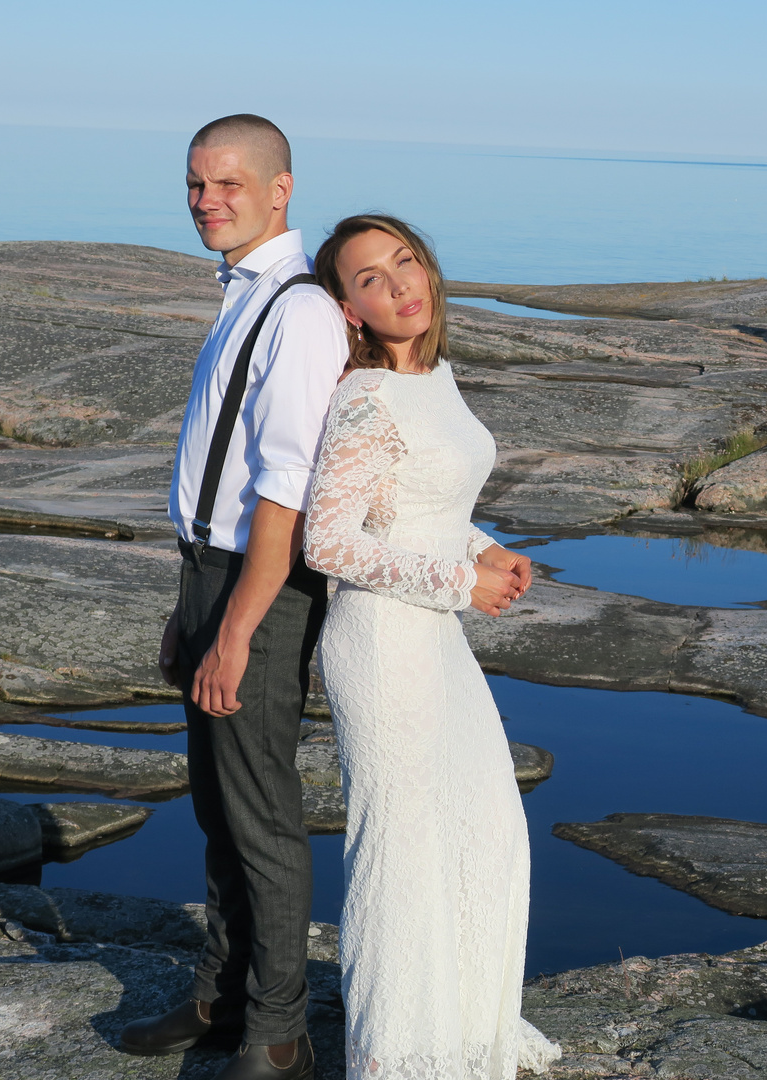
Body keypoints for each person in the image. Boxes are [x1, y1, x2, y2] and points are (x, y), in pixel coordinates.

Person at [302, 213, 561, 1079]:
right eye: (371, 278)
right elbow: (328, 544)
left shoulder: (434, 376)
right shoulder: (365, 397)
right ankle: (400, 1056)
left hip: (433, 637)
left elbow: (416, 500)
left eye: (404, 262)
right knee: (404, 851)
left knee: (485, 828)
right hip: (383, 644)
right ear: (349, 307)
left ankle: (467, 1031)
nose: (399, 285)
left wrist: (480, 545)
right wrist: (460, 583)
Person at [120, 114, 347, 1080]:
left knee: (261, 817)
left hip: (262, 585)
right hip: (208, 575)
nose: (206, 201)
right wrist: (190, 607)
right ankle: (221, 996)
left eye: (228, 185)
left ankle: (279, 1033)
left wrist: (238, 628)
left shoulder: (298, 311)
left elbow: (285, 491)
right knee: (218, 808)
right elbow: (222, 472)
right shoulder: (240, 295)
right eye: (195, 185)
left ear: (281, 189)